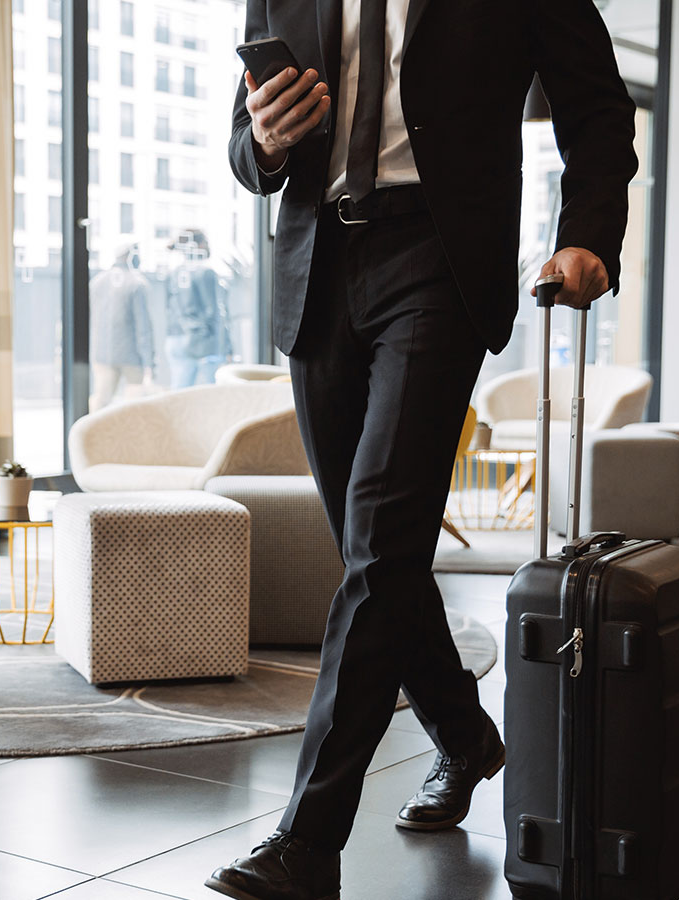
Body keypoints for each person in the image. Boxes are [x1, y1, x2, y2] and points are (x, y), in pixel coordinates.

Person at [206, 1, 637, 898]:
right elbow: (250, 152)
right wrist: (265, 140)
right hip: (318, 267)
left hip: (439, 260)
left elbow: (597, 105)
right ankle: (467, 737)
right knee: (377, 555)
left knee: (380, 544)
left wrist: (588, 232)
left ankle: (308, 841)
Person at [163, 229, 234, 388]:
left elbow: (168, 308)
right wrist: (227, 347)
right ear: (199, 245)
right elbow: (215, 313)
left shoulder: (174, 273)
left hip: (175, 340)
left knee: (180, 394)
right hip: (201, 342)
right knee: (211, 393)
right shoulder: (206, 272)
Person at [89, 244, 155, 410]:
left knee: (101, 403)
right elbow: (143, 327)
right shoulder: (137, 283)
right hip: (132, 356)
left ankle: (93, 434)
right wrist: (149, 362)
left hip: (102, 353)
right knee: (133, 406)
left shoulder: (97, 282)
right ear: (131, 257)